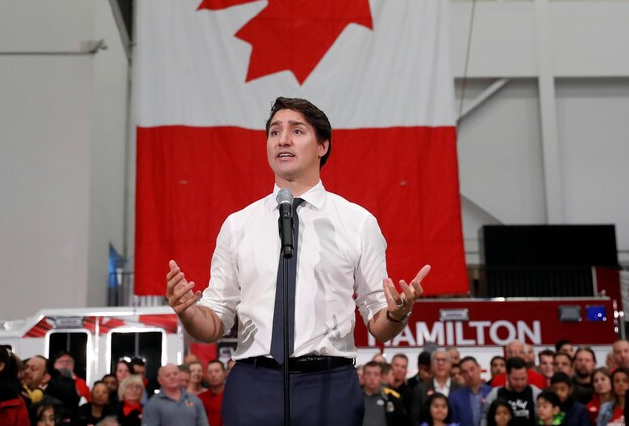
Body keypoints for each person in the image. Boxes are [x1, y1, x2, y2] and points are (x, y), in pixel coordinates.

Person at [164, 97, 432, 426]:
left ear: (322, 145)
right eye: (274, 131)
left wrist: (396, 313)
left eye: (297, 131)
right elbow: (215, 321)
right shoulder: (238, 225)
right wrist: (189, 312)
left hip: (330, 386)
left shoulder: (357, 222)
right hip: (253, 384)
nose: (283, 139)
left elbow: (378, 322)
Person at [141, 363, 207, 426]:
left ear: (180, 376)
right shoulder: (152, 404)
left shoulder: (195, 401)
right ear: (160, 380)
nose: (172, 377)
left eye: (175, 374)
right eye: (167, 375)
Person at [411, 349, 463, 424]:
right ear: (431, 365)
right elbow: (414, 419)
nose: (440, 363)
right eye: (437, 360)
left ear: (450, 364)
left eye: (444, 360)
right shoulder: (420, 390)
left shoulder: (460, 389)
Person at [493, 358, 541, 426]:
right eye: (515, 379)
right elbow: (486, 419)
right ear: (507, 376)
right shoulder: (495, 394)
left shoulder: (536, 393)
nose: (520, 383)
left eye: (523, 378)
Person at [360, 360, 407, 426]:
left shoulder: (391, 399)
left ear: (381, 377)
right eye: (368, 374)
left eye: (376, 374)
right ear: (363, 376)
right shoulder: (354, 399)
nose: (372, 378)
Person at [449, 356, 492, 426]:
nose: (470, 374)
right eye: (465, 372)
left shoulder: (492, 393)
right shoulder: (455, 398)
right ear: (462, 375)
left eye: (472, 369)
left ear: (479, 368)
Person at [197, 360, 226, 426]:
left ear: (224, 373)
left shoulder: (232, 396)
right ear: (206, 376)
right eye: (210, 372)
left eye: (217, 371)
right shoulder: (200, 398)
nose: (213, 375)